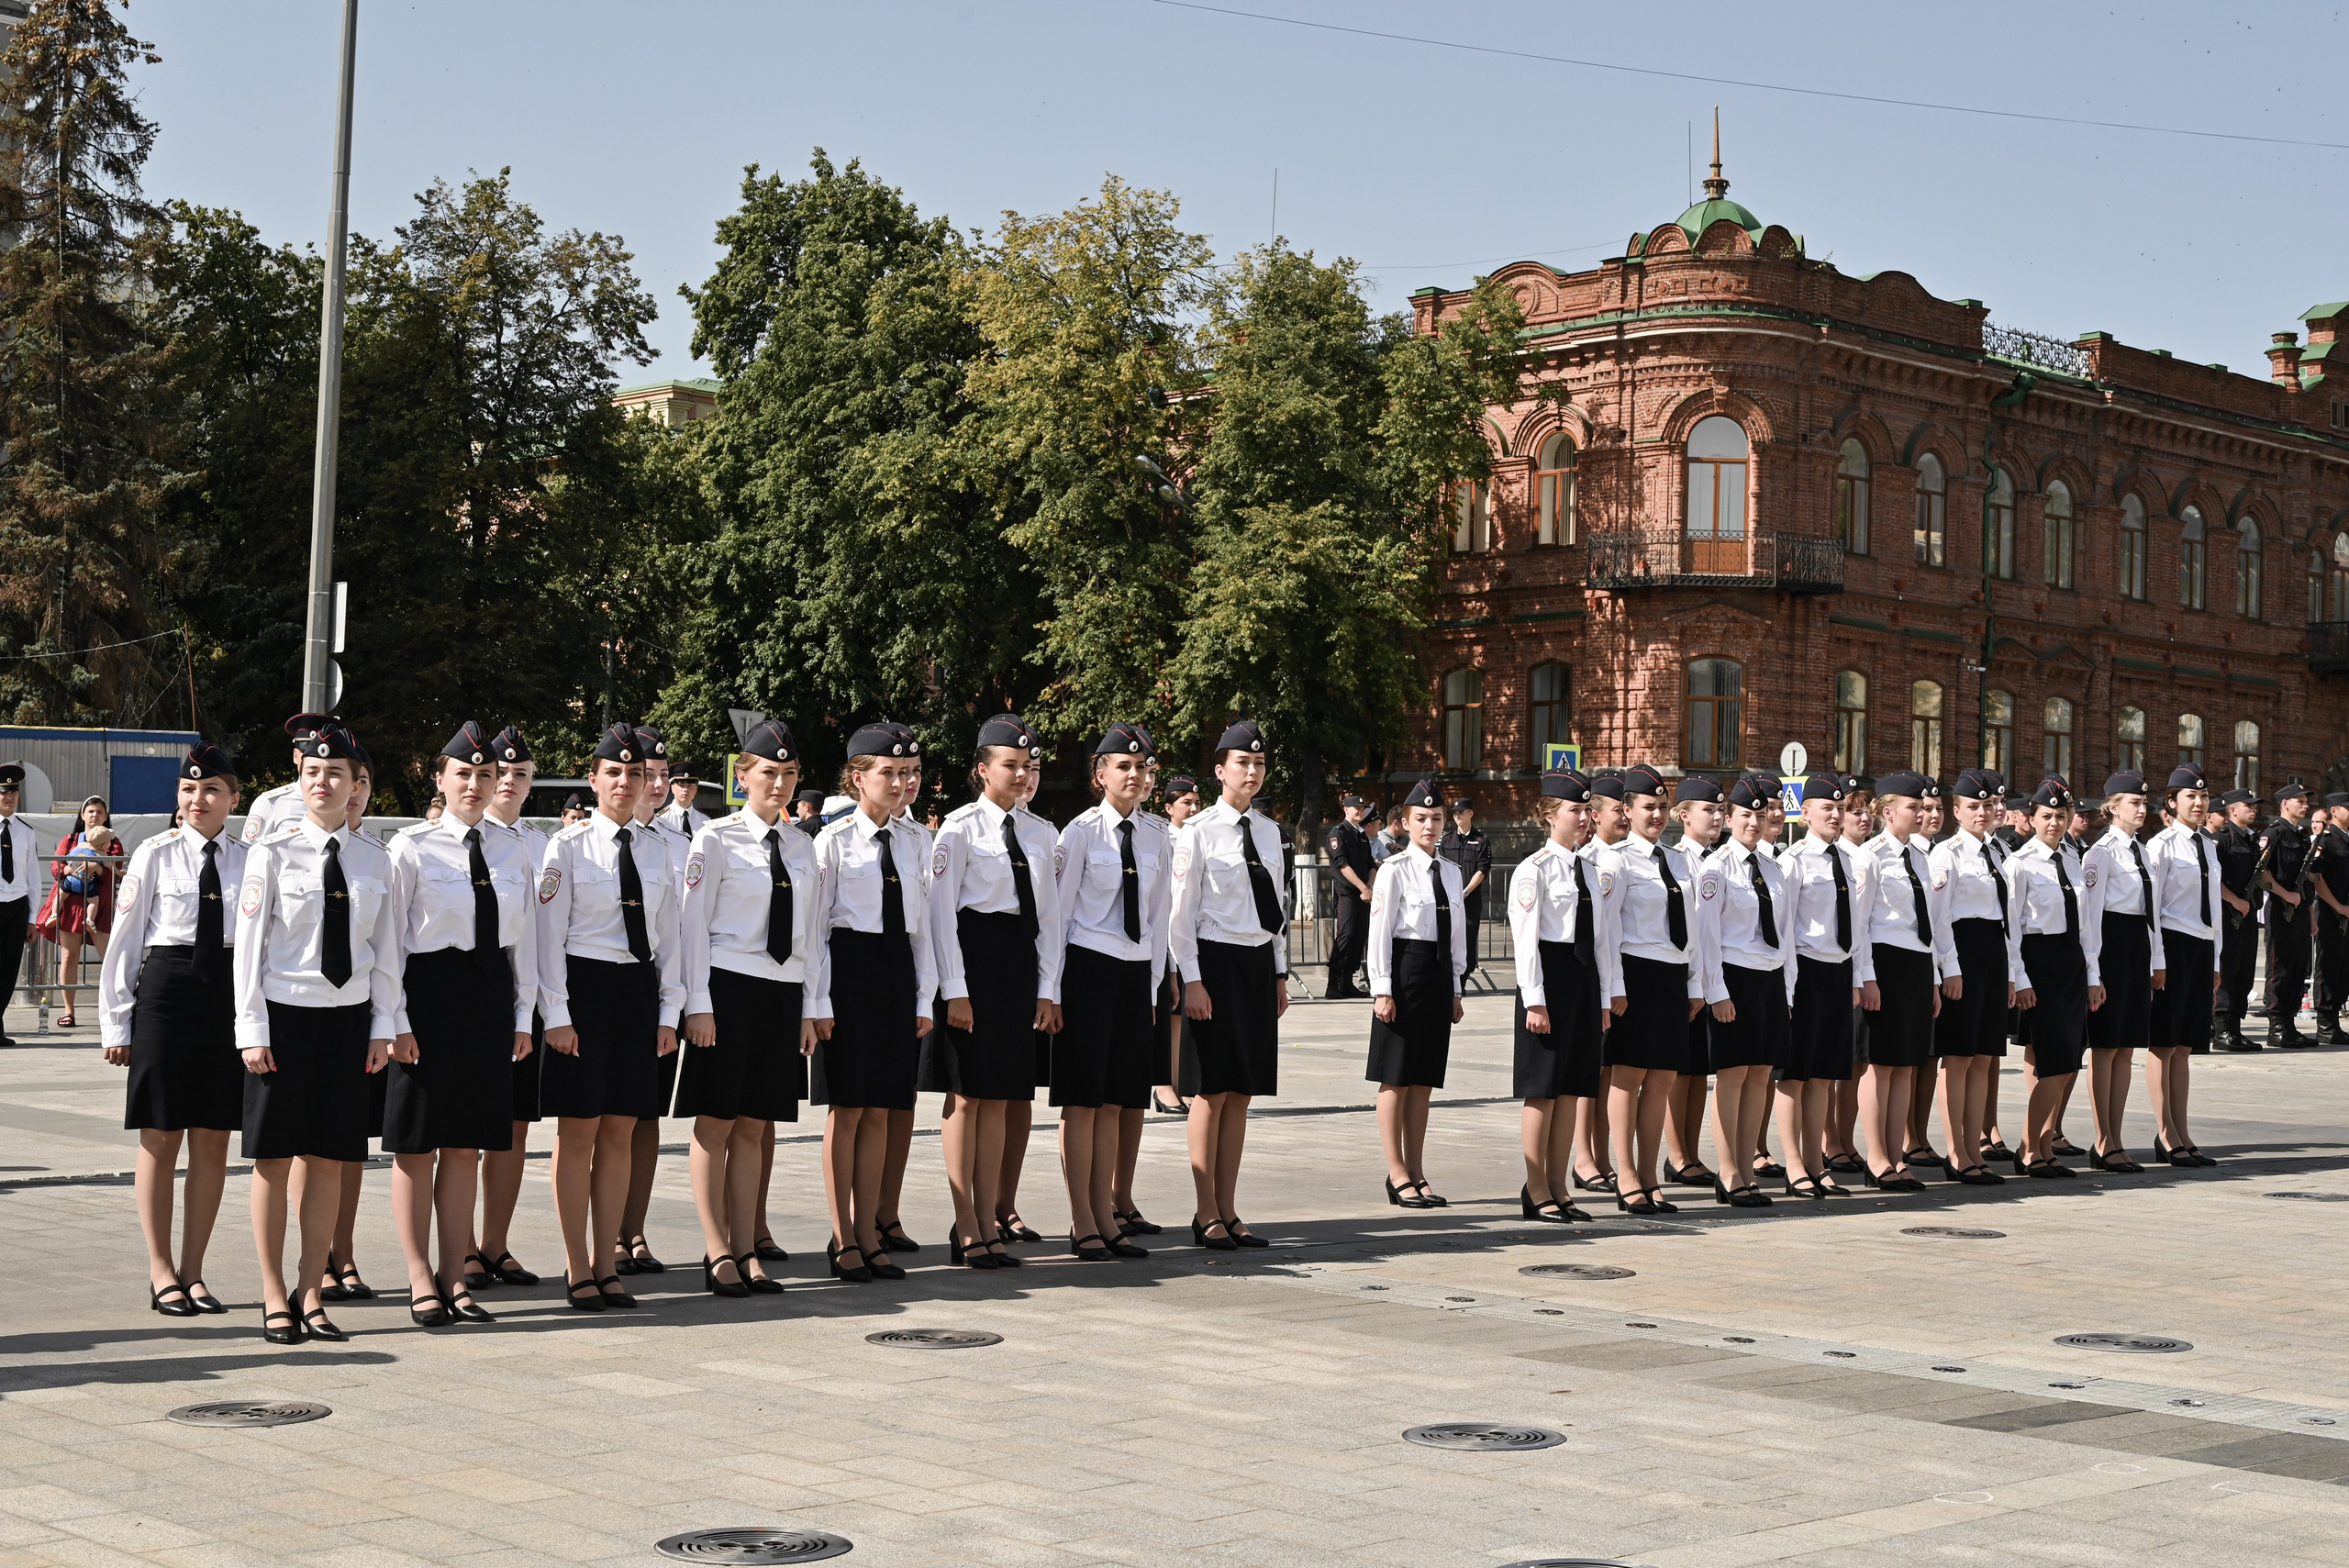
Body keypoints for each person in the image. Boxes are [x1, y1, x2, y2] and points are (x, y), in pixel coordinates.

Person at [232, 719, 399, 1343]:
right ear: (299, 781)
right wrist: (252, 1027)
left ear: (358, 786)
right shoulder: (270, 853)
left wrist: (381, 1026)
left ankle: (311, 1291)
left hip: (347, 1022)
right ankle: (274, 1293)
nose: (323, 782)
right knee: (274, 1160)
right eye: (312, 773)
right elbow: (248, 950)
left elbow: (384, 954)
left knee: (330, 1159)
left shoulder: (375, 859)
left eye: (336, 774)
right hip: (284, 1020)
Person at [381, 721, 540, 1326]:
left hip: (488, 1000)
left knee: (465, 1147)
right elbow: (391, 944)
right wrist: (393, 1018)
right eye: (464, 774)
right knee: (417, 1145)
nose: (475, 784)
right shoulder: (411, 848)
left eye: (485, 774)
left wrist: (522, 1016)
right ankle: (420, 1275)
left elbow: (522, 942)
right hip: (427, 999)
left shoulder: (514, 850)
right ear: (441, 779)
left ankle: (457, 1273)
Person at [536, 723, 685, 1311]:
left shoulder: (663, 850)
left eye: (636, 774)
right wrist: (557, 1014)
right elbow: (549, 941)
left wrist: (668, 1011)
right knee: (578, 1135)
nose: (626, 783)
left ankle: (608, 1262)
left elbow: (669, 938)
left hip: (636, 993)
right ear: (594, 780)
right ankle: (577, 1266)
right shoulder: (566, 849)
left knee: (621, 1131)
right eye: (614, 773)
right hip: (584, 989)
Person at [676, 719, 820, 1296]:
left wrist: (809, 1007)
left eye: (788, 775)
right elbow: (692, 928)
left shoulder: (801, 843)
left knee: (757, 1125)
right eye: (768, 773)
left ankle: (746, 1246)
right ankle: (716, 1249)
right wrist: (698, 1005)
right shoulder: (713, 839)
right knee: (717, 1120)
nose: (779, 784)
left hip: (781, 992)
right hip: (728, 988)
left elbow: (809, 935)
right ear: (743, 776)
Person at [102, 744, 246, 1315]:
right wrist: (117, 1020)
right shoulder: (154, 855)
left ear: (233, 799)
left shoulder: (249, 858)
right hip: (166, 993)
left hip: (226, 996)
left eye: (211, 790)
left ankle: (194, 1270)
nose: (198, 800)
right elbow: (126, 941)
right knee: (161, 1135)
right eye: (189, 790)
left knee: (213, 1137)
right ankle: (160, 1270)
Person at [928, 715, 1063, 1263]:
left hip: (1017, 968)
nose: (1021, 774)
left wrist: (1047, 988)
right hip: (973, 965)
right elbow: (942, 918)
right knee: (968, 1097)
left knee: (1004, 1099)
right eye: (1010, 764)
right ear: (983, 770)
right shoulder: (958, 829)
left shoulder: (1041, 832)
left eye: (1028, 766)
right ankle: (967, 1225)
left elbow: (1049, 919)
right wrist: (954, 989)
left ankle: (990, 1217)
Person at [807, 721, 935, 1284]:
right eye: (889, 773)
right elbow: (814, 931)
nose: (902, 782)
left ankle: (870, 1230)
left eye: (908, 773)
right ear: (858, 777)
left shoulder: (917, 841)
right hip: (848, 975)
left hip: (896, 973)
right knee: (850, 1107)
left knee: (885, 1106)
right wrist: (817, 1001)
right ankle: (843, 1236)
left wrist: (924, 995)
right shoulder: (831, 840)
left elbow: (924, 928)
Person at [1052, 722, 1172, 1262]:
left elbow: (1158, 917)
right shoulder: (1079, 833)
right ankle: (1083, 1218)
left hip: (1132, 974)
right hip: (1086, 969)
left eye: (1142, 766)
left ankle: (1106, 1211)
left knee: (1119, 1100)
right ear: (1100, 774)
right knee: (1084, 1100)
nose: (1134, 774)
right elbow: (1057, 917)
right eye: (1123, 766)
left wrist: (1150, 988)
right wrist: (1049, 991)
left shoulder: (1155, 835)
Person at [1169, 718, 1289, 1251]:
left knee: (1242, 1092)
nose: (1253, 771)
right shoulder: (1198, 833)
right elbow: (1180, 916)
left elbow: (1277, 908)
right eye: (1243, 763)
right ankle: (1204, 1211)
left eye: (1260, 763)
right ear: (1220, 772)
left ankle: (1230, 1207)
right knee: (1210, 1091)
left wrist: (1281, 972)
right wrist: (1191, 981)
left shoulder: (1269, 831)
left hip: (1256, 964)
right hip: (1213, 965)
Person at [1509, 767, 1618, 1223]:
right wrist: (1534, 999)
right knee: (1544, 1090)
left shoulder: (1589, 869)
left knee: (1573, 1088)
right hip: (1548, 982)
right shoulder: (1533, 871)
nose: (1584, 818)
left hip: (1582, 982)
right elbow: (1526, 940)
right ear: (1550, 815)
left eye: (1586, 810)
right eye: (1575, 810)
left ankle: (1559, 1185)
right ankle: (1535, 1189)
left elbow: (1602, 940)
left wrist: (1606, 998)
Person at [1602, 764, 1704, 1215]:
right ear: (1627, 809)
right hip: (1634, 974)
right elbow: (1606, 931)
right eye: (1649, 807)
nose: (1658, 815)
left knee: (1662, 1078)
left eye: (1663, 807)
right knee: (1628, 1076)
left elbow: (1696, 928)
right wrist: (1615, 988)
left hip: (1671, 976)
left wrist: (1696, 984)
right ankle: (1625, 1174)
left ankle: (1648, 1173)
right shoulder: (1615, 859)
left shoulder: (1681, 860)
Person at [1365, 781, 1470, 1208]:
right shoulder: (1395, 869)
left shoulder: (1451, 871)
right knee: (1396, 1077)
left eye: (1437, 818)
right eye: (1421, 819)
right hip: (1404, 971)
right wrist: (1382, 988)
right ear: (1405, 824)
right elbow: (1380, 932)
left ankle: (1417, 1169)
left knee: (1423, 1080)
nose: (1430, 825)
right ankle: (1396, 1172)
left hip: (1438, 973)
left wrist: (1457, 986)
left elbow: (1458, 932)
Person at [469, 726, 548, 1288]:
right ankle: (462, 1246)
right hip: (471, 997)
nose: (512, 783)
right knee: (464, 1131)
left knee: (513, 1127)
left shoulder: (542, 845)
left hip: (526, 999)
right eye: (504, 773)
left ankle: (495, 1242)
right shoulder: (451, 837)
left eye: (522, 774)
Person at [1776, 773, 1874, 1198]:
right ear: (1805, 811)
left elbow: (1855, 927)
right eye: (1827, 808)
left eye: (1839, 808)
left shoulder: (1849, 860)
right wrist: (1789, 989)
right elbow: (1783, 929)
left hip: (1837, 972)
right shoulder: (1793, 861)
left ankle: (1817, 1162)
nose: (1836, 815)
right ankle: (1794, 1164)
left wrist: (1855, 978)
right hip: (1805, 972)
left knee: (1824, 1077)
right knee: (1796, 1075)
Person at [1691, 775, 1787, 1207]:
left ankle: (1749, 1169)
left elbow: (1782, 933)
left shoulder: (1773, 867)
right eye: (1746, 815)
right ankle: (1729, 1171)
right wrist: (1716, 991)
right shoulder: (1716, 868)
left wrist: (1787, 989)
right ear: (1728, 819)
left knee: (1760, 1077)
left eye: (1760, 816)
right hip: (1734, 978)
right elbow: (1707, 936)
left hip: (1769, 978)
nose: (1754, 823)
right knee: (1733, 1078)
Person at [613, 725, 678, 1278]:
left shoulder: (681, 842)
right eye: (644, 775)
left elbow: (681, 935)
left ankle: (634, 1228)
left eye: (659, 775)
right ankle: (605, 1234)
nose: (653, 784)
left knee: (646, 1116)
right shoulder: (586, 840)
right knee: (604, 1119)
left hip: (656, 994)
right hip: (609, 989)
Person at [1856, 772, 1941, 1190]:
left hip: (1916, 965)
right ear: (1888, 812)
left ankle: (1896, 1156)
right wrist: (1867, 978)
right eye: (1915, 807)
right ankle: (1876, 1158)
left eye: (1925, 807)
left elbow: (1934, 925)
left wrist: (1935, 981)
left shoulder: (1923, 858)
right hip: (1884, 964)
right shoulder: (1870, 856)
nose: (1923, 813)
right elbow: (1861, 923)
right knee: (1881, 1066)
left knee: (1907, 1065)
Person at [1927, 769, 2010, 1186]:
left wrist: (2012, 973)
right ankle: (1956, 1152)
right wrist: (1950, 969)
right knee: (1958, 1058)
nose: (1983, 812)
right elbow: (1940, 921)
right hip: (1963, 955)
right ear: (1956, 811)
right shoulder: (1948, 854)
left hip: (1994, 957)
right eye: (1973, 807)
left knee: (1983, 1058)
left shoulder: (1998, 853)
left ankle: (1976, 1149)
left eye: (1988, 805)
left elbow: (2007, 920)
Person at [2008, 777, 2089, 1177]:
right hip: (2038, 964)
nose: (2054, 823)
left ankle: (2043, 1145)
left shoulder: (2074, 861)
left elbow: (2087, 926)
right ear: (2031, 819)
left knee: (2069, 1061)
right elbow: (2013, 928)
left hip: (2071, 962)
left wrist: (2093, 974)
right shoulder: (2019, 864)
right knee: (2054, 1062)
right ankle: (2027, 1148)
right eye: (2046, 816)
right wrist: (2020, 978)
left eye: (2061, 815)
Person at [2079, 771, 2159, 1173]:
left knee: (2126, 1047)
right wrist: (2093, 974)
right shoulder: (2101, 853)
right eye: (2134, 803)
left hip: (2135, 947)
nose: (2142, 810)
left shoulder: (2142, 852)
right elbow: (2090, 920)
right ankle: (2103, 1139)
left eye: (2145, 804)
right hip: (2109, 947)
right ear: (2112, 808)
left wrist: (2155, 962)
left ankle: (2118, 1135)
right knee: (2106, 1046)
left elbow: (2150, 915)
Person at [2145, 765, 2221, 1165]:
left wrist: (2216, 959)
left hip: (2201, 946)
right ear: (2172, 803)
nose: (2199, 802)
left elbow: (2215, 909)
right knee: (2164, 1043)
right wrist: (2157, 959)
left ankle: (2183, 1131)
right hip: (2172, 945)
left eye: (2203, 797)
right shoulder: (2160, 846)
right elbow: (2152, 911)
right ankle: (2165, 1133)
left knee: (2186, 1046)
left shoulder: (2208, 845)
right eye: (2190, 797)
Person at [1572, 773, 1634, 1195]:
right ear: (1594, 816)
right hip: (1600, 977)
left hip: (1623, 979)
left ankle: (1603, 1154)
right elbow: (1602, 933)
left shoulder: (1629, 857)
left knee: (1610, 1073)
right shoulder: (1592, 861)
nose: (1626, 817)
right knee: (1590, 1072)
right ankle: (1582, 1157)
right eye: (1618, 810)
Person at [1664, 777, 1724, 1189]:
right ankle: (1676, 1154)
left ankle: (1692, 1150)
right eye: (1709, 810)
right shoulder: (1675, 859)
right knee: (1678, 1071)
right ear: (1684, 815)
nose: (1718, 817)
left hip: (1713, 978)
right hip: (1685, 977)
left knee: (1700, 1070)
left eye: (1722, 811)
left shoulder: (1722, 859)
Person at [1827, 774, 1876, 1174]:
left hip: (1857, 970)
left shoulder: (1865, 856)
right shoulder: (1842, 857)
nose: (1863, 818)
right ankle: (1830, 1139)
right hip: (1837, 969)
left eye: (1868, 812)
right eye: (1854, 811)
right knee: (1833, 1065)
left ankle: (1845, 1136)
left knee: (1856, 1065)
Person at [37, 795, 117, 1028]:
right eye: (90, 811)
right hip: (71, 906)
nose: (95, 815)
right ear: (82, 815)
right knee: (69, 958)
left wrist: (96, 866)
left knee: (110, 959)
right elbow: (56, 866)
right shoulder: (70, 839)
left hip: (98, 906)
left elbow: (116, 870)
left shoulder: (112, 841)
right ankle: (69, 1011)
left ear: (106, 816)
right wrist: (71, 872)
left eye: (100, 811)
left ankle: (113, 1012)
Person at [1152, 774, 1203, 1116]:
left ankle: (1179, 1083)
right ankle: (1163, 1085)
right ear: (1169, 807)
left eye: (1197, 802)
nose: (1194, 808)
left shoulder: (1200, 834)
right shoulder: (1164, 837)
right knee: (1170, 1014)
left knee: (1182, 1018)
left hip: (1192, 937)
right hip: (1167, 937)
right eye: (1187, 802)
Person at [2212, 788, 2263, 1051]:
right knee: (2228, 971)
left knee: (2245, 972)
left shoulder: (2252, 840)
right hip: (2228, 915)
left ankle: (2235, 1028)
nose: (2253, 809)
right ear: (2233, 810)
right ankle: (2222, 1031)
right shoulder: (2221, 840)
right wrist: (2234, 901)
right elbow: (2212, 880)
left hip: (2248, 914)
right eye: (2249, 805)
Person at [1324, 795, 1375, 999]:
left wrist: (1369, 887)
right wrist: (1363, 888)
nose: (1360, 811)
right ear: (1346, 809)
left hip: (1364, 893)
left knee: (1359, 936)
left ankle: (1347, 982)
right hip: (1348, 892)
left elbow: (1371, 864)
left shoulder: (1361, 835)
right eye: (1356, 808)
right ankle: (1333, 983)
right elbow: (1342, 864)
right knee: (1346, 934)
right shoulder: (1339, 833)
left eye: (1362, 808)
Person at [2312, 793, 2349, 1045]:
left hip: (2346, 916)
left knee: (2343, 969)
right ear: (2334, 811)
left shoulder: (2346, 840)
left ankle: (2335, 1018)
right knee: (2328, 967)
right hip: (2331, 914)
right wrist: (2337, 906)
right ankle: (2325, 1023)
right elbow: (2315, 878)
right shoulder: (2327, 841)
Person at [0, 762, 32, 1048]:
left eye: (13, 792)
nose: (8, 797)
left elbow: (32, 875)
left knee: (8, 970)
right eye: (3, 792)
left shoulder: (25, 831)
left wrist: (32, 919)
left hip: (16, 906)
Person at [660, 768, 710, 837]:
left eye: (690, 786)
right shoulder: (662, 819)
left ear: (696, 790)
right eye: (681, 786)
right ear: (672, 788)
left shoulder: (705, 821)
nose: (686, 790)